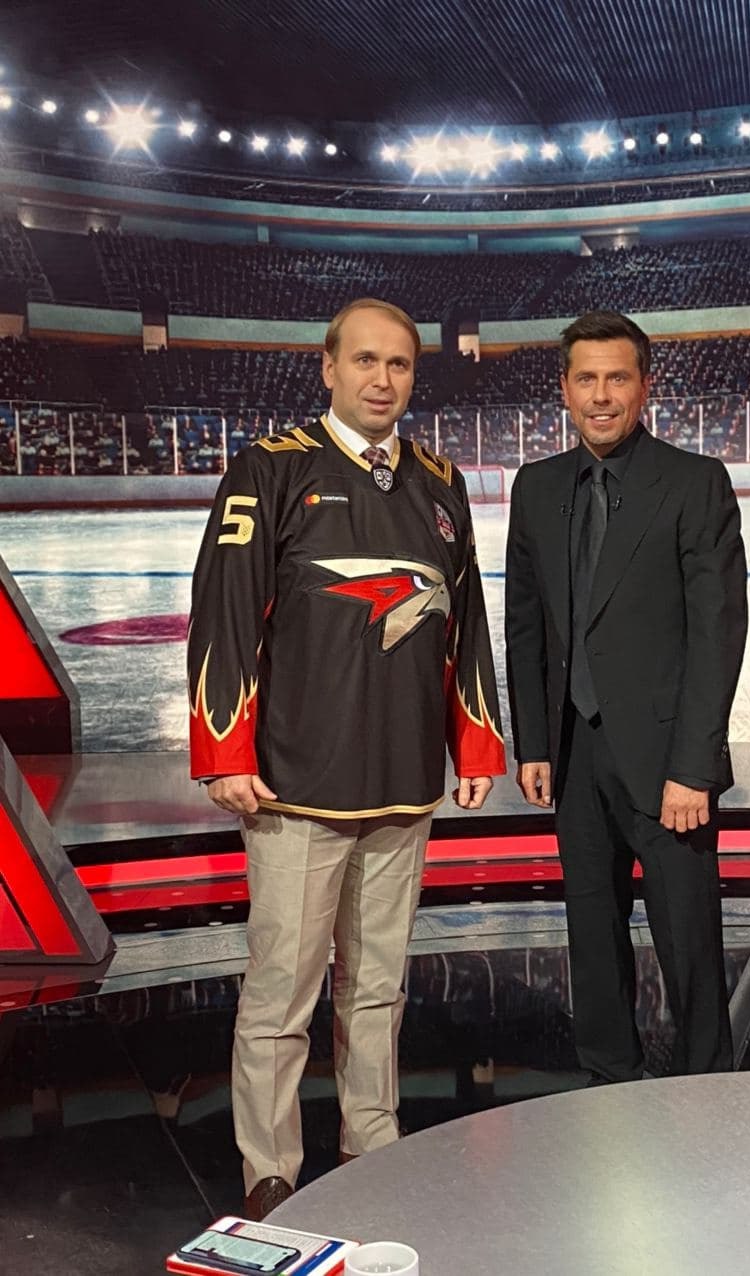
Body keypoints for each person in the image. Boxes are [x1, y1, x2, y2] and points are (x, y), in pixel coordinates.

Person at [188, 297, 505, 1219]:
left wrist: (475, 741)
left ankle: (373, 1144)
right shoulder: (269, 468)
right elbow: (225, 613)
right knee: (282, 994)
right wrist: (224, 749)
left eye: (398, 364)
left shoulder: (441, 484)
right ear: (327, 368)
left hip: (403, 784)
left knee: (377, 991)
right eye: (364, 360)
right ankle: (269, 1169)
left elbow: (466, 621)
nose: (381, 379)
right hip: (295, 784)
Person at [505, 310, 747, 1083]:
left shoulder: (694, 482)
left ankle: (707, 1087)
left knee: (688, 941)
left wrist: (695, 768)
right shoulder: (536, 487)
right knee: (592, 930)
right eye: (587, 379)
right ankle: (607, 1082)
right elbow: (526, 624)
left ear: (645, 387)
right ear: (565, 389)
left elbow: (718, 634)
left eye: (617, 378)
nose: (601, 395)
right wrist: (534, 741)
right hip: (573, 751)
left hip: (668, 762)